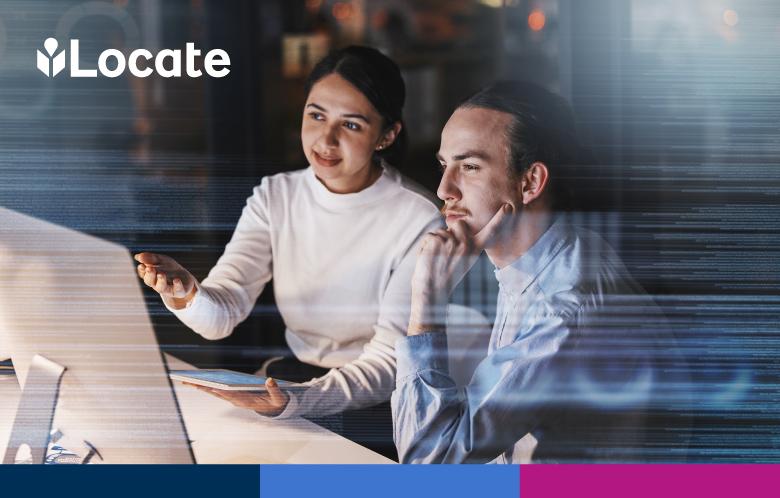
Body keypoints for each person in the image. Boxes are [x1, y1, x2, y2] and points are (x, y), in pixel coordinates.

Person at [135, 46, 441, 458]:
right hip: (294, 380)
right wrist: (187, 293)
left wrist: (297, 401)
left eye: (350, 125)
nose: (326, 140)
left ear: (387, 135)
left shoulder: (419, 219)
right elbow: (222, 313)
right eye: (316, 116)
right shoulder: (275, 195)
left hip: (380, 403)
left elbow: (388, 365)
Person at [392, 81, 680, 463]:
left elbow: (429, 462)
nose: (445, 189)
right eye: (445, 165)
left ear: (530, 182)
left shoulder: (560, 308)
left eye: (471, 167)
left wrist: (427, 302)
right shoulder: (559, 251)